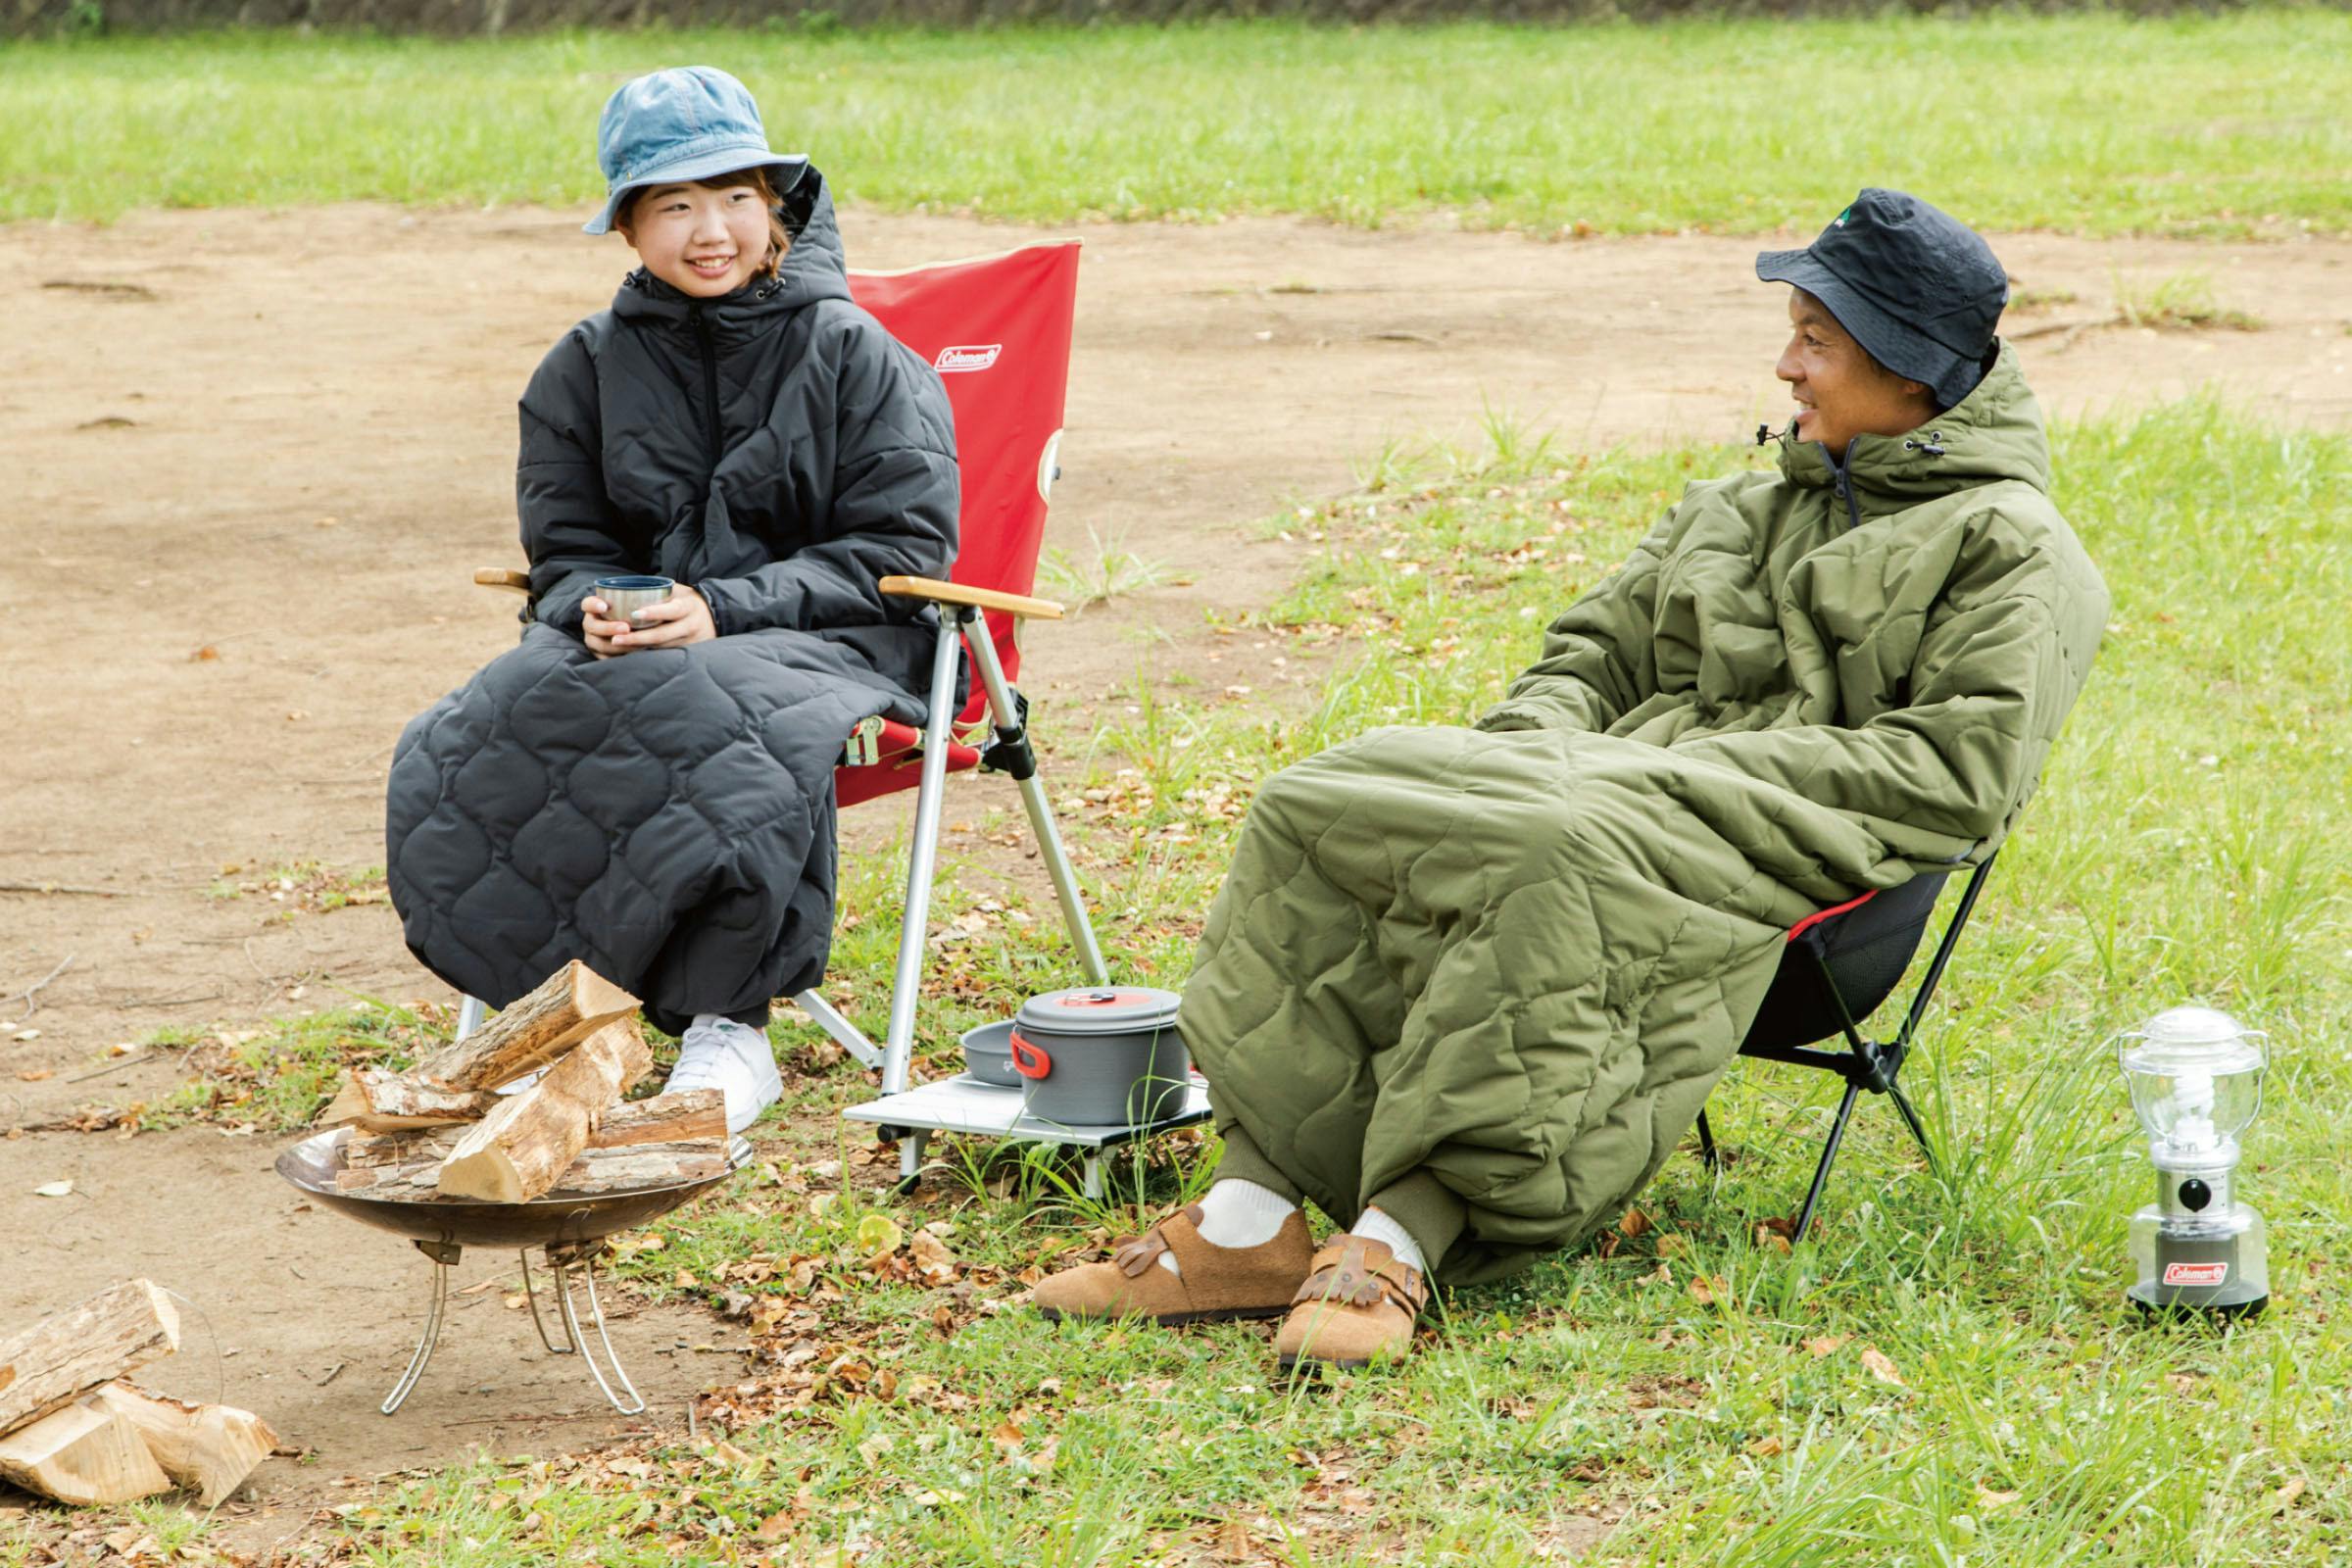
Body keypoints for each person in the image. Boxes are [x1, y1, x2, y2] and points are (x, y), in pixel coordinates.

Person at [1031, 189, 2110, 1369]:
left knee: (1561, 845)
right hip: (1593, 791)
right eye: (1794, 329)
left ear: (1911, 372)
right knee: (1329, 797)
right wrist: (1530, 754)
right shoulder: (1745, 501)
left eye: (1818, 339)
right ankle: (1255, 1211)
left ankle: (1406, 1228)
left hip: (1816, 886)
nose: (1786, 363)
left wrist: (1650, 783)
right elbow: (1592, 655)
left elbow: (1952, 773)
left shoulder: (2016, 548)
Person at [385, 67, 958, 1134]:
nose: (712, 229)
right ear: (629, 226)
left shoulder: (856, 353)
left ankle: (728, 1029)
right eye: (675, 204)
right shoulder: (583, 368)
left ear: (775, 207)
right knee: (496, 712)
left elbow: (901, 547)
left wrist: (723, 607)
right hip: (643, 639)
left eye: (736, 197)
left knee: (725, 717)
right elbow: (566, 551)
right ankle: (552, 1019)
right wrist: (593, 605)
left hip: (832, 632)